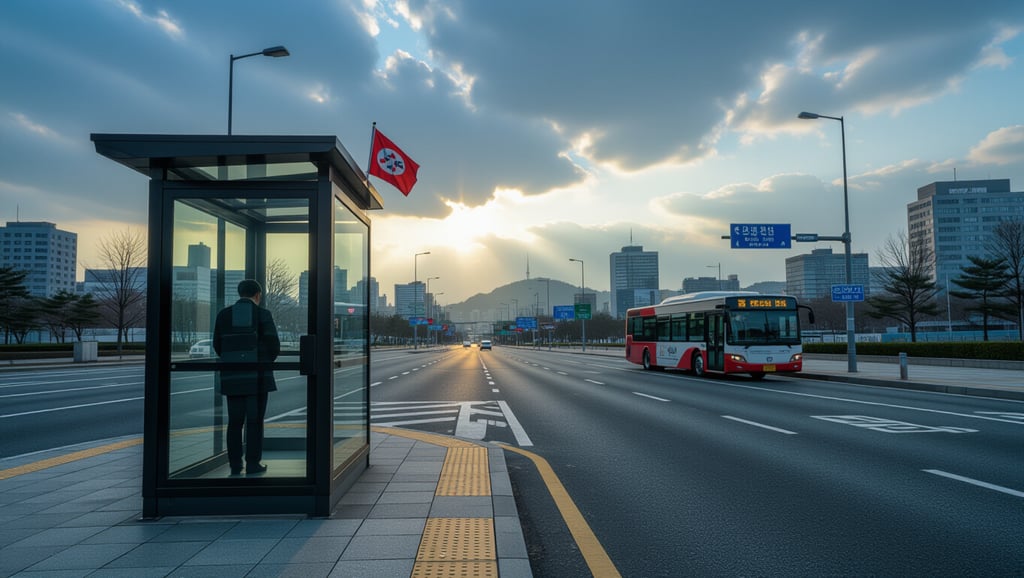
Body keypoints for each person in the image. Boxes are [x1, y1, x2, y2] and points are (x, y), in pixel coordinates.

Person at [213, 279, 280, 476]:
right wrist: (263, 361)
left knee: (234, 422)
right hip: (258, 377)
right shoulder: (263, 314)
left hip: (232, 376)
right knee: (255, 421)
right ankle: (253, 463)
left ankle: (235, 465)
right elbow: (273, 345)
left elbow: (217, 344)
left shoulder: (224, 315)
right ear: (258, 295)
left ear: (239, 293)